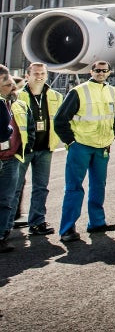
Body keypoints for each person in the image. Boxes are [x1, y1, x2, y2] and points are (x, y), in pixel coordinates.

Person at [54, 60, 115, 242]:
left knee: (99, 185)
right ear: (91, 71)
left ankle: (97, 222)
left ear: (109, 72)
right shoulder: (78, 91)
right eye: (97, 70)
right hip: (81, 146)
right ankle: (67, 229)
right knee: (74, 187)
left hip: (102, 147)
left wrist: (111, 136)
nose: (100, 73)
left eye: (104, 70)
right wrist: (71, 143)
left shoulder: (113, 92)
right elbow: (60, 120)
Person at [12, 63, 63, 236]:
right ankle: (6, 224)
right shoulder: (17, 97)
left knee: (41, 187)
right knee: (14, 187)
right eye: (35, 73)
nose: (39, 76)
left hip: (45, 149)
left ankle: (37, 222)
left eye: (42, 73)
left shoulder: (55, 96)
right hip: (23, 150)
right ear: (27, 76)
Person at [0, 71, 30, 252]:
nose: (12, 85)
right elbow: (6, 132)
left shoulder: (14, 102)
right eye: (7, 82)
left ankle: (2, 236)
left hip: (12, 158)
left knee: (7, 200)